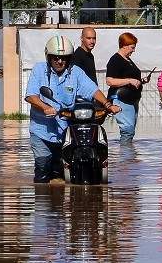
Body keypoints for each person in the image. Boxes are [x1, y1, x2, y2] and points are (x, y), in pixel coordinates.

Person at [24, 35, 120, 184]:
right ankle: (42, 199)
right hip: (41, 131)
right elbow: (31, 96)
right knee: (43, 167)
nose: (59, 61)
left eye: (64, 58)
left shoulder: (75, 72)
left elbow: (92, 90)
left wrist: (108, 105)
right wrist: (45, 107)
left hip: (65, 130)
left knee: (63, 170)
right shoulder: (39, 70)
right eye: (56, 57)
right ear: (49, 57)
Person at [105, 32, 150, 143]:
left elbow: (131, 79)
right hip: (122, 100)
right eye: (132, 47)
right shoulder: (115, 60)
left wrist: (141, 81)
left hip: (132, 101)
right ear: (124, 45)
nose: (133, 50)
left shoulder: (128, 60)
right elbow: (109, 81)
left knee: (130, 131)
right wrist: (129, 81)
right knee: (127, 131)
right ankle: (125, 157)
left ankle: (128, 156)